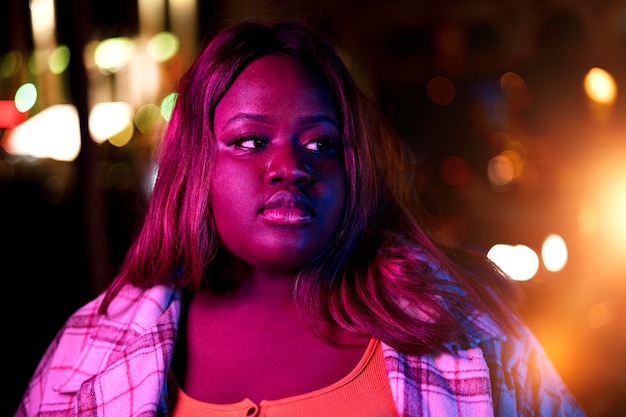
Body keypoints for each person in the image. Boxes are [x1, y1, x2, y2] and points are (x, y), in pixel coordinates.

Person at [15, 20, 586, 417]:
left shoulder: (465, 329)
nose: (289, 167)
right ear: (197, 165)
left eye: (320, 145)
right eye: (251, 140)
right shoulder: (90, 355)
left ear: (355, 166)